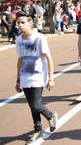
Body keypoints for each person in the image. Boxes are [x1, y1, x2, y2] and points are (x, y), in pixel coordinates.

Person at [15, 11, 57, 144]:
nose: (20, 25)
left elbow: (49, 58)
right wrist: (18, 80)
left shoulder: (39, 38)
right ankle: (38, 130)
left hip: (38, 76)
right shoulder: (18, 40)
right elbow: (20, 60)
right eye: (18, 23)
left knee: (36, 104)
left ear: (30, 23)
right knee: (32, 106)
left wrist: (51, 78)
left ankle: (51, 115)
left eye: (23, 22)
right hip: (25, 77)